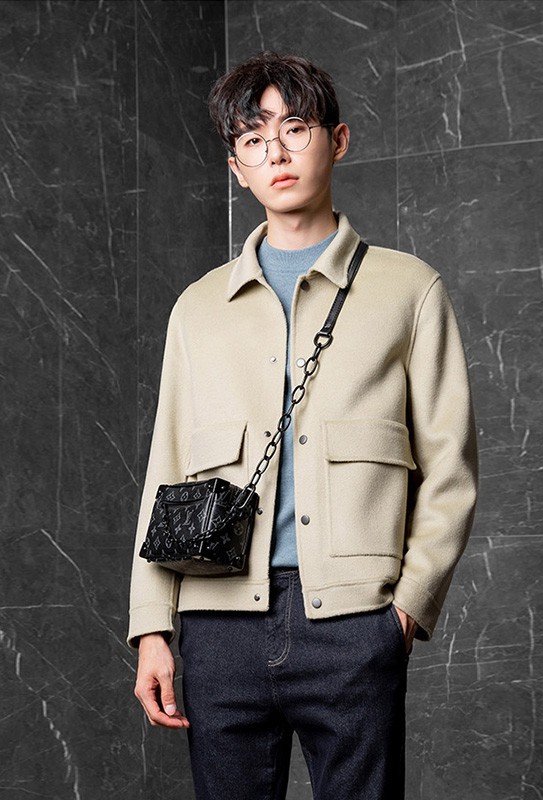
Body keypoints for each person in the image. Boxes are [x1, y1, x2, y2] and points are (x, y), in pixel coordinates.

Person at [128, 51, 478, 800]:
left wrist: (404, 612)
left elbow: (450, 471)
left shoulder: (409, 290)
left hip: (354, 624)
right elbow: (166, 470)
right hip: (218, 628)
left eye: (295, 128)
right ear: (236, 168)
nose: (276, 152)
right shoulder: (198, 308)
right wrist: (152, 626)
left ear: (338, 140)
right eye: (253, 139)